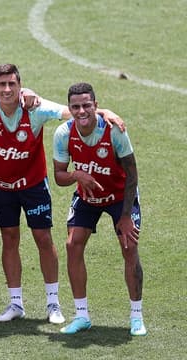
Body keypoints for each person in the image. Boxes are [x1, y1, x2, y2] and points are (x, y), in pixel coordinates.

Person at [0, 64, 123, 324]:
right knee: (9, 239)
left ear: (20, 86)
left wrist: (104, 111)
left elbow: (72, 112)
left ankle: (53, 304)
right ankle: (16, 303)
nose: (7, 89)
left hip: (34, 186)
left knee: (43, 238)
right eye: (2, 85)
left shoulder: (36, 108)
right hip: (1, 187)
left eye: (12, 84)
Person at [53, 82, 146, 336]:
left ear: (96, 105)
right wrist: (76, 175)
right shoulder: (63, 133)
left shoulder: (115, 131)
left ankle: (136, 317)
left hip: (119, 196)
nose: (81, 111)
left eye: (86, 105)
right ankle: (82, 315)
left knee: (129, 246)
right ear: (69, 108)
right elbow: (59, 176)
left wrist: (126, 216)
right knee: (73, 245)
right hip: (88, 196)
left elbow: (132, 175)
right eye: (75, 106)